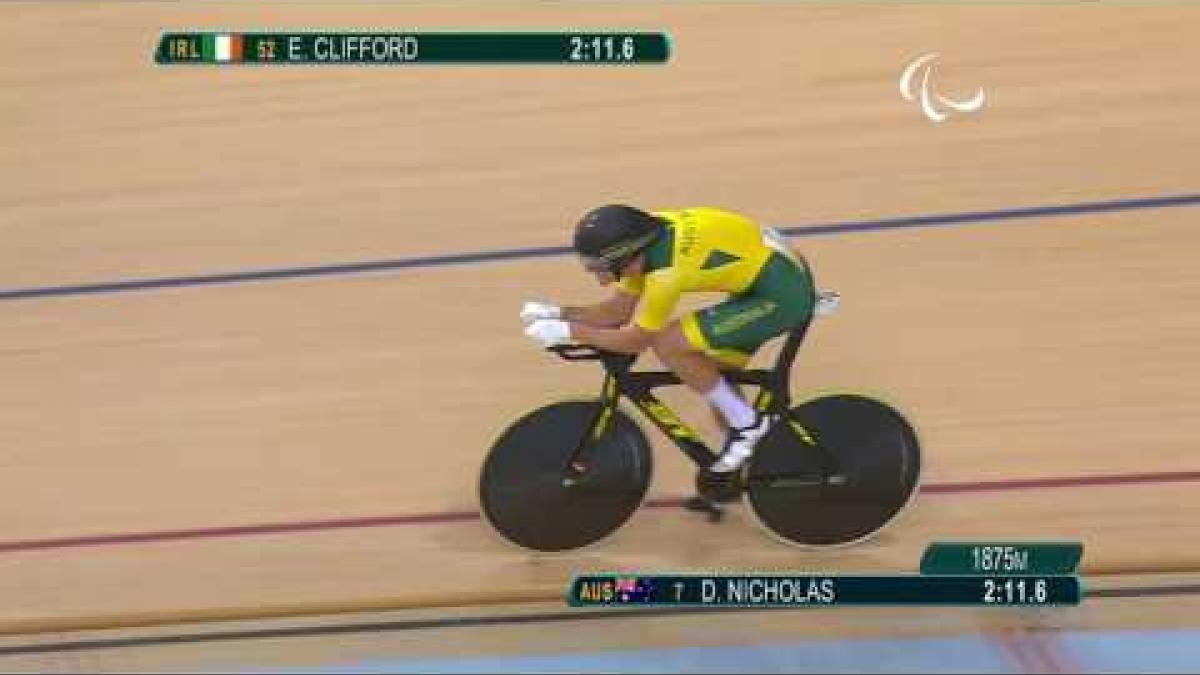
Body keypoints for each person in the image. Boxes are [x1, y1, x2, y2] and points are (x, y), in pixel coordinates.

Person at [520, 204, 817, 487]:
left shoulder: (666, 275)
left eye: (603, 268)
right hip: (763, 278)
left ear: (629, 257)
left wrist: (568, 330)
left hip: (782, 295)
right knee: (715, 381)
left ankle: (748, 426)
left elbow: (634, 342)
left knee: (670, 343)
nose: (601, 280)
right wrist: (558, 312)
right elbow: (616, 312)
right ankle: (753, 460)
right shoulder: (645, 238)